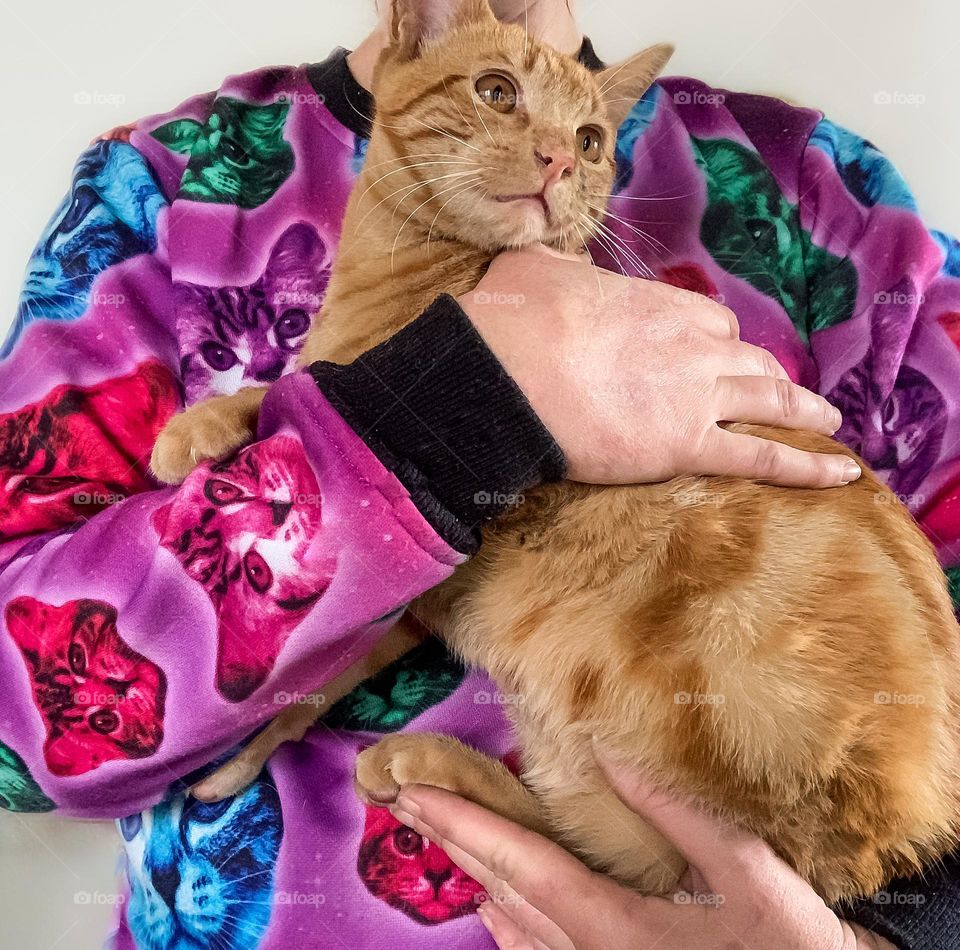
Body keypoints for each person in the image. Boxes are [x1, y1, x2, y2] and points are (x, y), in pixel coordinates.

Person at [1, 0, 957, 947]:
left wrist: (894, 939)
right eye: (497, 94)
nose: (554, 154)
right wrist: (450, 408)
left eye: (589, 139)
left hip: (774, 808)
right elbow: (11, 744)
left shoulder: (808, 184)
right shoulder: (165, 188)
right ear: (417, 28)